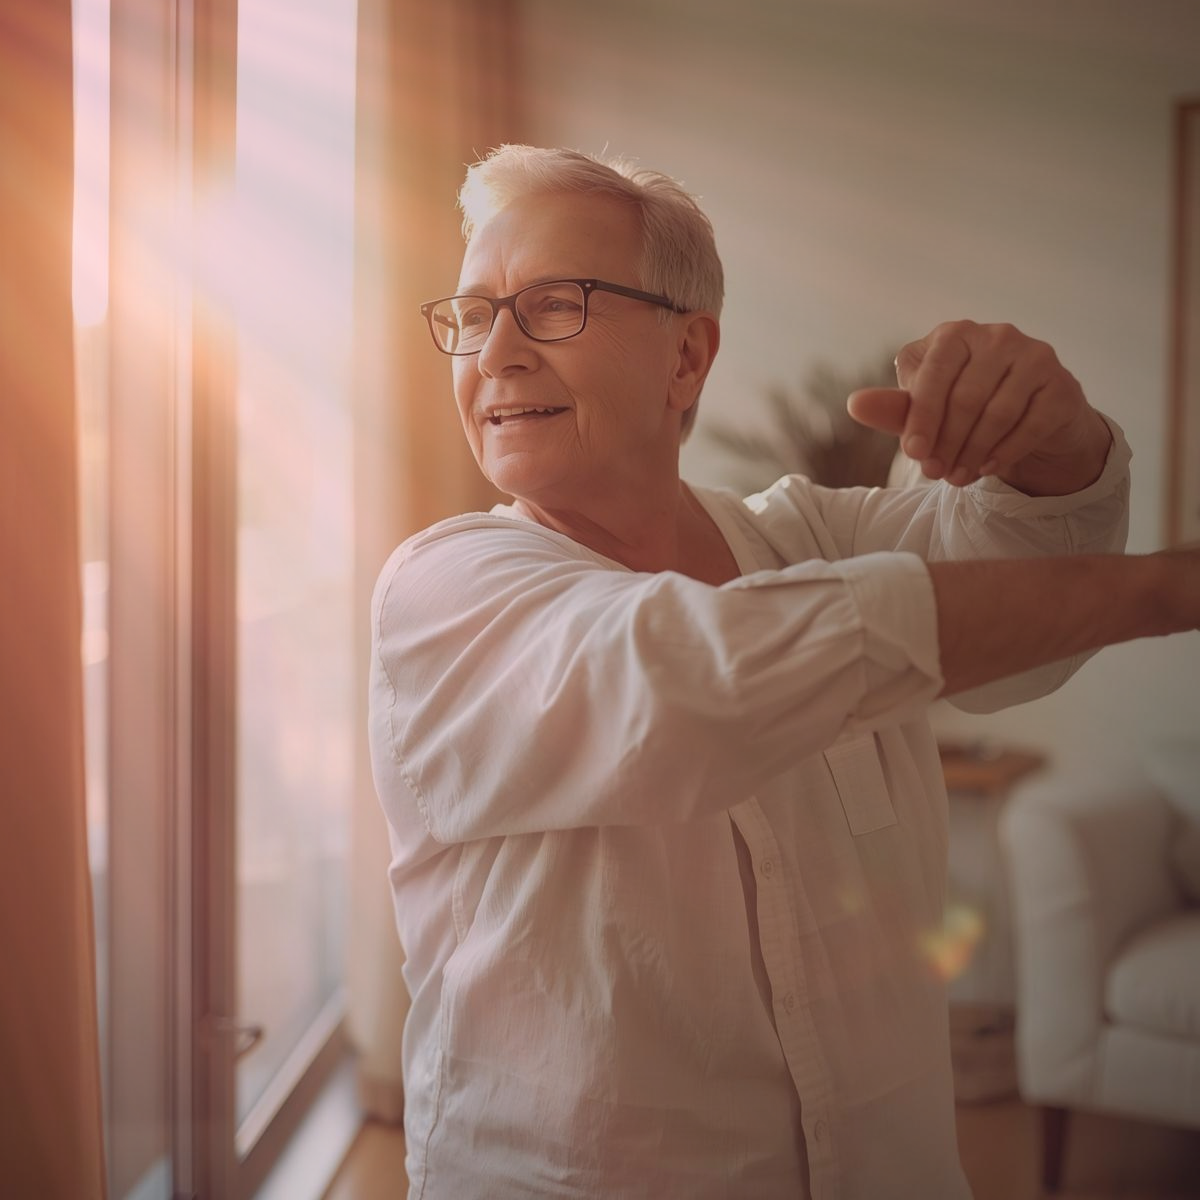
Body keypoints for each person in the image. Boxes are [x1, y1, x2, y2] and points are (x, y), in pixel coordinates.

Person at [368, 144, 1198, 1199]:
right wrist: (1171, 591)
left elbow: (1029, 575)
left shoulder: (807, 533)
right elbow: (695, 682)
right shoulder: (443, 590)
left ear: (687, 357)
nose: (499, 351)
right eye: (475, 314)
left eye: (555, 304)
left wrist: (1056, 443)